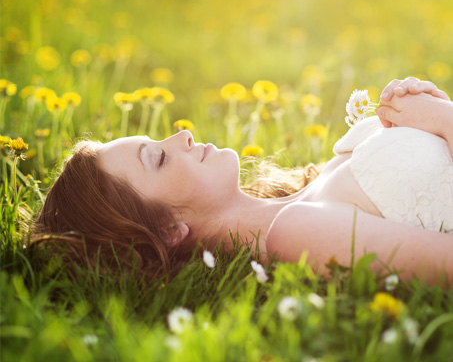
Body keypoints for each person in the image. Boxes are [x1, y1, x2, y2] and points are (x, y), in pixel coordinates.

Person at [31, 77, 453, 285]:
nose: (182, 135)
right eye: (157, 157)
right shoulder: (298, 232)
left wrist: (422, 105)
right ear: (167, 230)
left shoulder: (313, 186)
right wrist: (443, 120)